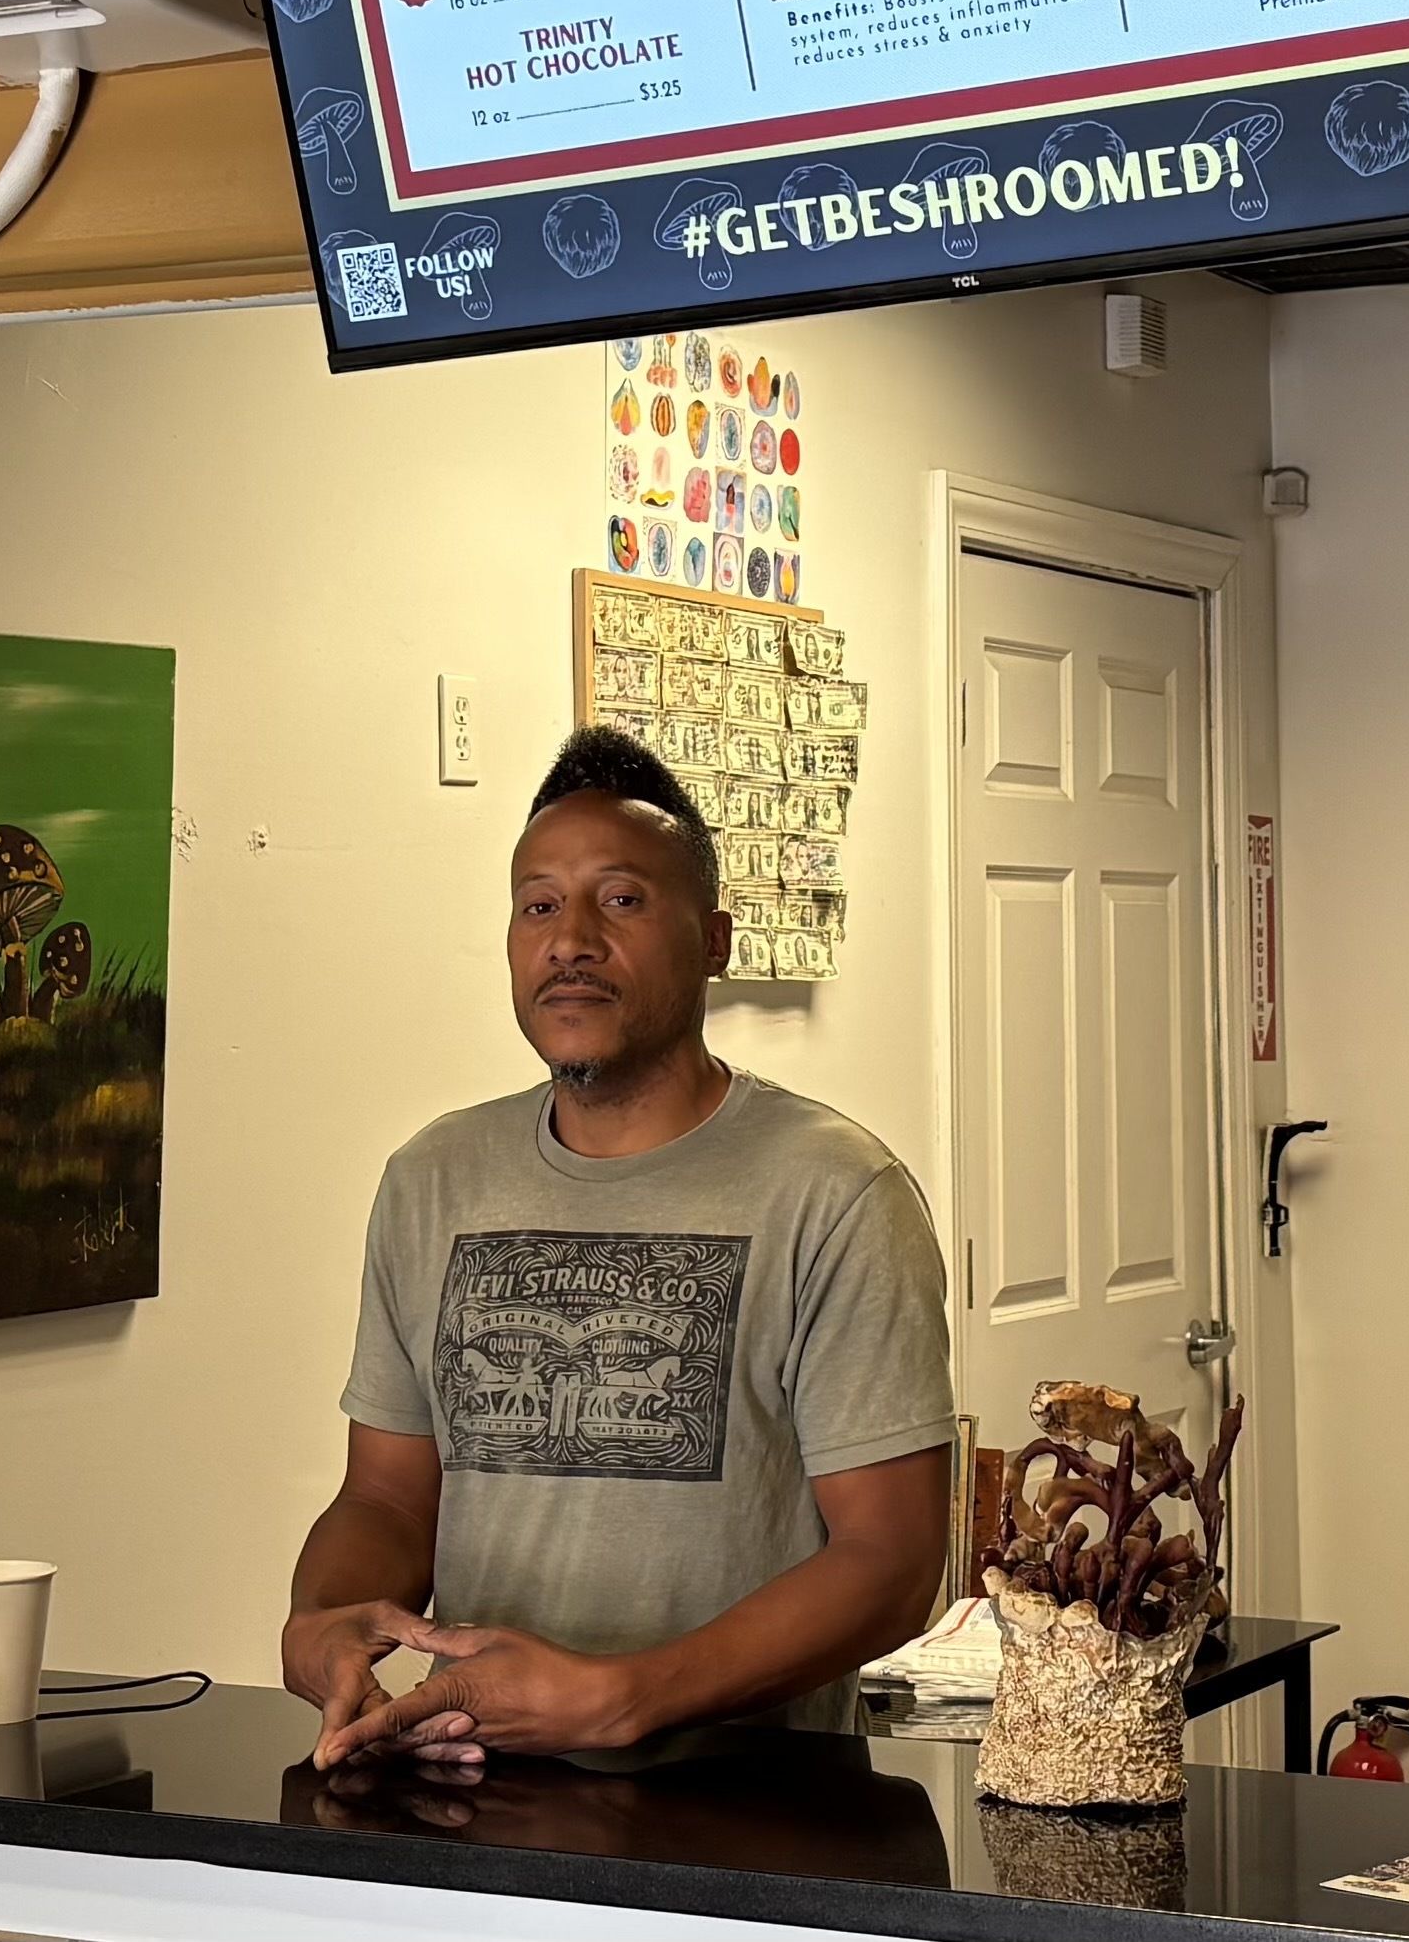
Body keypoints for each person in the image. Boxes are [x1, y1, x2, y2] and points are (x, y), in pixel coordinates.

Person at [284, 726, 953, 1771]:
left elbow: (893, 1562)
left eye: (622, 899)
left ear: (714, 941)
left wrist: (624, 1699)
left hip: (760, 1812)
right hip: (475, 1788)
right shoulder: (433, 1179)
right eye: (538, 905)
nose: (571, 940)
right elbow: (386, 1497)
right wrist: (324, 1619)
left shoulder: (834, 1192)